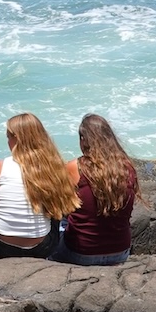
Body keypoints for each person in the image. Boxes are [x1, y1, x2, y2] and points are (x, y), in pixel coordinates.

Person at [57, 112, 142, 266]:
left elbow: (58, 204)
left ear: (83, 140)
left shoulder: (74, 168)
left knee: (60, 220)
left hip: (79, 253)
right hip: (120, 252)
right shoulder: (128, 167)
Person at [0, 112, 77, 259]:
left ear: (16, 139)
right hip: (41, 248)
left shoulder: (0, 166)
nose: (7, 142)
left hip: (1, 246)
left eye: (9, 137)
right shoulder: (53, 167)